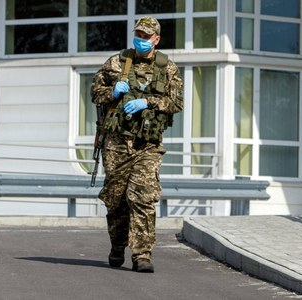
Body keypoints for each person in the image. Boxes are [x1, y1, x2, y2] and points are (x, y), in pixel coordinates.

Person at [91, 16, 183, 273]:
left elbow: (176, 104)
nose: (140, 39)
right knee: (116, 200)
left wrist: (149, 102)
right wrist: (113, 92)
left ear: (156, 39)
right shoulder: (116, 63)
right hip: (116, 143)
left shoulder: (168, 68)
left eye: (146, 36)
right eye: (138, 35)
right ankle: (118, 245)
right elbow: (95, 94)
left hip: (148, 145)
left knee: (143, 198)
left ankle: (142, 254)